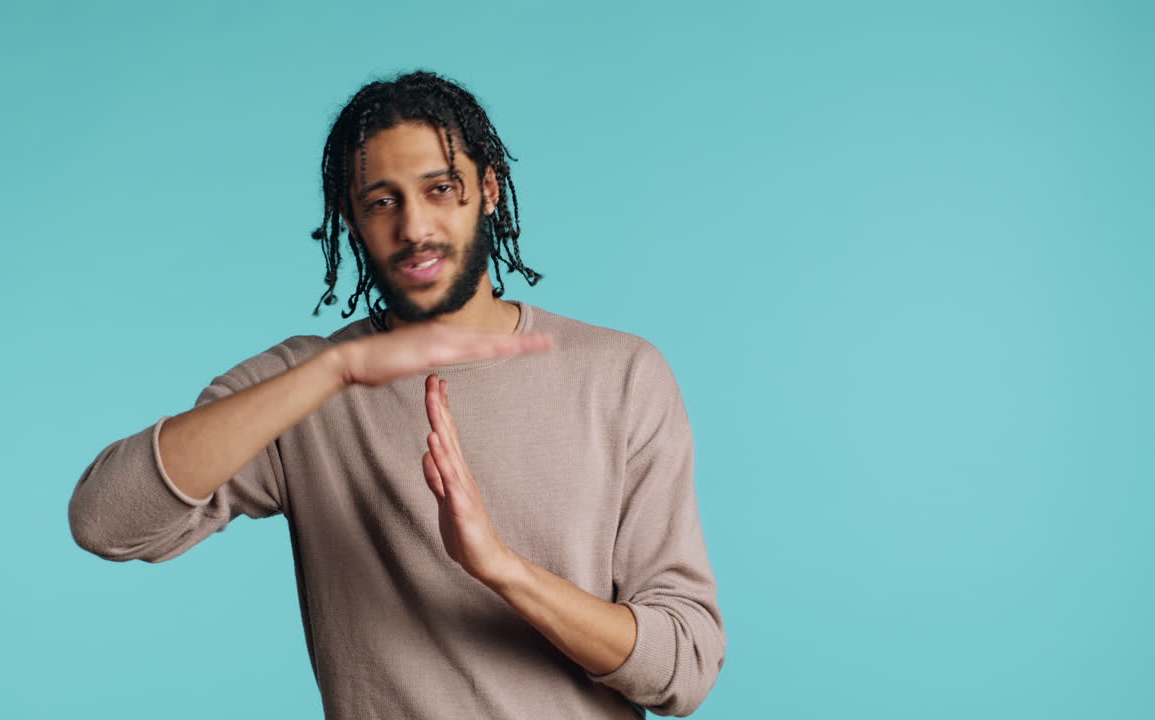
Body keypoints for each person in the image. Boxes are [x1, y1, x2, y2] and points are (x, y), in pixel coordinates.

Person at [68, 69, 725, 719]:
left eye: (441, 189)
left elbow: (684, 668)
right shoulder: (304, 384)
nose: (414, 227)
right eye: (382, 201)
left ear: (489, 189)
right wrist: (334, 373)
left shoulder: (621, 374)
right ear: (351, 220)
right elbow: (105, 521)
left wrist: (502, 569)